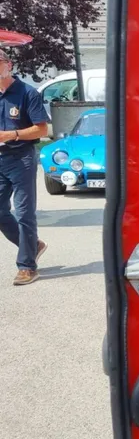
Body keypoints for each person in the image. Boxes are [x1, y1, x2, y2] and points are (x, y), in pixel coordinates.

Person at [0, 48, 49, 285]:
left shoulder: (27, 93)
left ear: (8, 65)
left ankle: (27, 267)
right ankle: (32, 245)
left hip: (22, 159)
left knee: (24, 213)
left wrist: (12, 134)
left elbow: (42, 129)